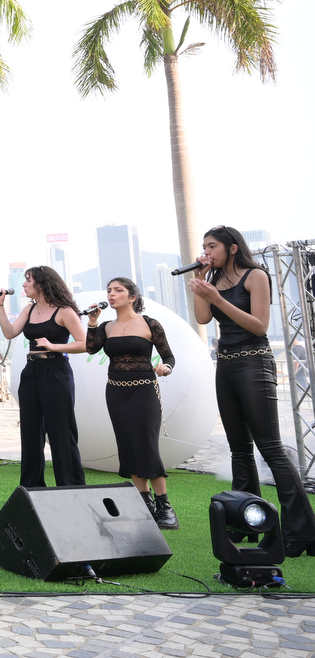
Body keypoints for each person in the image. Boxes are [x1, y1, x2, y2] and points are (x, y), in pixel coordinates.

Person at [191, 225, 315, 557]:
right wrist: (203, 288)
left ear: (232, 248)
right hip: (227, 364)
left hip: (254, 362)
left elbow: (259, 325)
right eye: (204, 246)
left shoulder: (255, 276)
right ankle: (245, 522)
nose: (207, 251)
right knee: (239, 449)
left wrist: (217, 298)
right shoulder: (214, 281)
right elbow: (203, 318)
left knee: (270, 447)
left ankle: (302, 531)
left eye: (212, 246)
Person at [77, 277, 177, 528]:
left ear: (132, 297)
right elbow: (91, 349)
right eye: (109, 290)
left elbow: (169, 356)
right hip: (116, 392)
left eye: (118, 290)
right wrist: (92, 322)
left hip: (144, 391)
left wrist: (166, 368)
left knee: (146, 445)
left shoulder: (149, 323)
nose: (111, 294)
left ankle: (165, 507)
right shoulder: (107, 326)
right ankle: (144, 504)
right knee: (128, 446)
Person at [0, 265, 87, 488]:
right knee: (30, 430)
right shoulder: (29, 309)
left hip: (56, 371)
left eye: (28, 280)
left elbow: (85, 344)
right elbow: (9, 333)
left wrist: (54, 346)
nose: (24, 285)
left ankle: (70, 485)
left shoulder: (64, 311)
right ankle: (32, 485)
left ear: (42, 283)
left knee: (60, 431)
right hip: (31, 372)